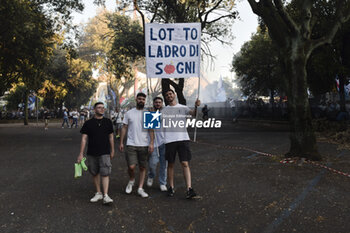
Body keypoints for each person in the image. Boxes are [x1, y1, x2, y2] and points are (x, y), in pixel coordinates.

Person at [162, 89, 200, 199]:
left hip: (183, 139)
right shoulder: (164, 110)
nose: (169, 96)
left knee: (185, 163)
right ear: (166, 98)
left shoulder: (183, 107)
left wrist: (196, 106)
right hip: (169, 140)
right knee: (171, 164)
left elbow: (194, 114)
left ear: (174, 95)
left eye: (170, 94)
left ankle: (189, 188)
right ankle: (171, 187)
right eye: (167, 95)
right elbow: (153, 123)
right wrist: (150, 113)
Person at [77, 102, 115, 205]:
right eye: (99, 108)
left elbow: (111, 137)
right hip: (92, 152)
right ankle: (98, 193)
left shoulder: (108, 122)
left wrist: (112, 150)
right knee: (94, 173)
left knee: (105, 172)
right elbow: (84, 139)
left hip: (105, 151)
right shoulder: (88, 123)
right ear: (94, 110)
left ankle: (106, 195)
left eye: (103, 108)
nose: (102, 109)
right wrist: (81, 153)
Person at [119, 93, 154, 198]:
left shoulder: (148, 113)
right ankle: (131, 180)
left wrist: (152, 143)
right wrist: (121, 142)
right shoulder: (129, 113)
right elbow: (124, 127)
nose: (141, 100)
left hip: (144, 144)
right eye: (139, 99)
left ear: (145, 101)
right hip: (131, 144)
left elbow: (151, 130)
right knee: (131, 166)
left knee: (143, 167)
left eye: (143, 99)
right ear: (136, 99)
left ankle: (140, 188)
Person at [146, 97, 167, 192]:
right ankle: (151, 175)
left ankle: (163, 183)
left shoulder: (166, 113)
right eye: (156, 102)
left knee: (164, 164)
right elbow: (150, 128)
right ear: (154, 103)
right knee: (153, 163)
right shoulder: (150, 112)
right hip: (154, 142)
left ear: (162, 103)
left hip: (164, 142)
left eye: (159, 102)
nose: (158, 104)